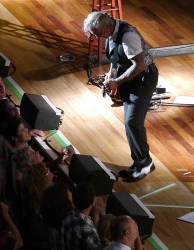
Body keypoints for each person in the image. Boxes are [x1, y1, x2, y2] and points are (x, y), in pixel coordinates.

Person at [83, 12, 159, 182]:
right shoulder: (112, 32)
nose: (96, 37)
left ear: (107, 26)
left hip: (143, 79)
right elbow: (116, 57)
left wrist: (116, 82)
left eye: (97, 33)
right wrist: (112, 73)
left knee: (133, 122)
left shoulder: (128, 36)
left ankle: (145, 163)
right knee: (131, 123)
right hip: (130, 78)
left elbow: (139, 65)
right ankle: (139, 161)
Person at [60, 182, 102, 250]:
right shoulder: (89, 232)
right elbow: (99, 245)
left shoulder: (66, 216)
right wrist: (96, 215)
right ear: (92, 203)